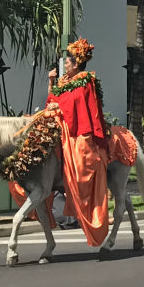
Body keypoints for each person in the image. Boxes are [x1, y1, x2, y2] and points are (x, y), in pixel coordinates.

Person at [46, 38, 110, 247]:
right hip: (62, 126)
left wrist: (58, 107)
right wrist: (51, 82)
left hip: (78, 132)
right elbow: (52, 100)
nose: (64, 65)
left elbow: (72, 105)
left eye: (67, 62)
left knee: (82, 164)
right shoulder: (65, 81)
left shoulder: (86, 81)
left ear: (76, 63)